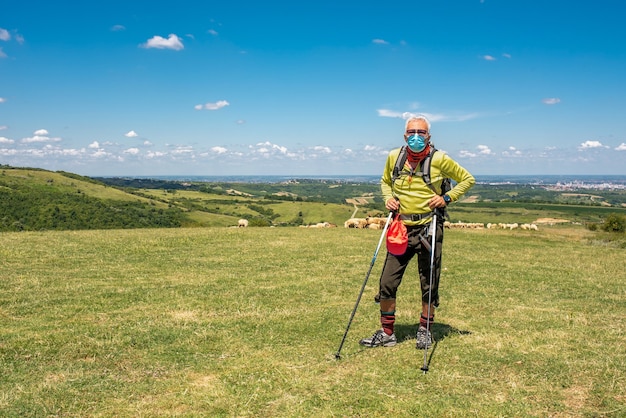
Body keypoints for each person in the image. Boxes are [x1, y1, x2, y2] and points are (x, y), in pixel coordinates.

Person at [359, 114, 475, 350]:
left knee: (429, 282)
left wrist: (445, 198)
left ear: (428, 136)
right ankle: (387, 332)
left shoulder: (440, 159)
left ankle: (425, 330)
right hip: (400, 228)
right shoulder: (395, 157)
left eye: (420, 133)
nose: (415, 137)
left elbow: (467, 179)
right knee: (387, 282)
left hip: (428, 228)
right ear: (404, 135)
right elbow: (384, 181)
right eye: (411, 132)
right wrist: (388, 198)